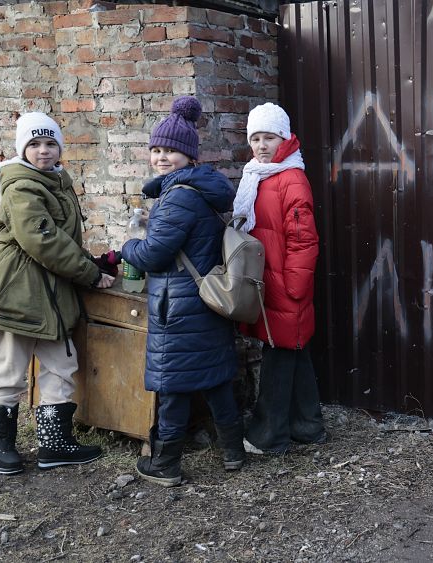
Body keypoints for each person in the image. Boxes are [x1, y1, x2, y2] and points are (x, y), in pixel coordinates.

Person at [0, 112, 114, 475]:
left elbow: (64, 239)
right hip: (16, 291)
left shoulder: (56, 181)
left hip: (52, 291)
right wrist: (88, 274)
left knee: (61, 366)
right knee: (8, 370)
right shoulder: (21, 187)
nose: (43, 150)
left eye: (50, 143)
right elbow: (43, 240)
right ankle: (0, 446)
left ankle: (55, 445)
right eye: (34, 144)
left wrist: (94, 265)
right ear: (22, 149)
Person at [120, 96, 245, 487]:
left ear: (189, 157)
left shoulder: (177, 197)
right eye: (156, 149)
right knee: (216, 379)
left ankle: (165, 464)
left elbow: (154, 255)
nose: (161, 157)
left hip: (177, 306)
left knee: (173, 384)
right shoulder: (200, 191)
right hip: (204, 301)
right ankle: (233, 452)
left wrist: (126, 246)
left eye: (171, 151)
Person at [234, 102, 325, 455]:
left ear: (284, 139)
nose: (261, 145)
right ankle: (308, 426)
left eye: (268, 137)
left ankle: (268, 435)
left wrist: (295, 288)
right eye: (255, 138)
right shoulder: (257, 174)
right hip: (267, 282)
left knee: (278, 354)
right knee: (293, 350)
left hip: (286, 285)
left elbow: (303, 240)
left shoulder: (291, 179)